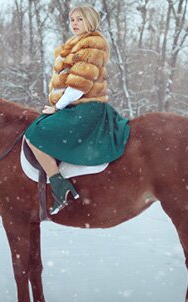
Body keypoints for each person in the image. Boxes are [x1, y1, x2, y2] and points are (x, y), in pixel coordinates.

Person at [24, 4, 130, 215]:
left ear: (90, 21)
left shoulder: (92, 44)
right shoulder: (74, 44)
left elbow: (79, 86)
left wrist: (57, 107)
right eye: (72, 20)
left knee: (35, 134)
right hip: (73, 107)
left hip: (86, 108)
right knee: (37, 127)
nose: (74, 24)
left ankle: (59, 185)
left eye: (80, 19)